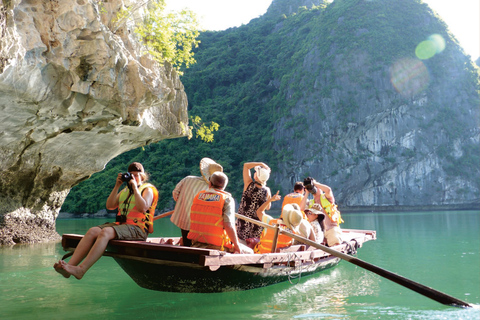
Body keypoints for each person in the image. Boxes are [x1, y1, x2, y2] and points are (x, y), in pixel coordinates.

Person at [53, 162, 158, 279]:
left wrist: (135, 188)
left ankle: (81, 270)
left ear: (142, 176)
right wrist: (117, 186)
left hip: (138, 230)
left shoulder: (147, 190)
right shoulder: (124, 191)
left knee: (106, 232)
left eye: (137, 175)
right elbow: (110, 205)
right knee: (93, 231)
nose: (134, 178)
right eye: (131, 175)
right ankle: (69, 268)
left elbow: (143, 208)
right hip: (122, 227)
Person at [187, 171, 253, 254]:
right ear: (224, 186)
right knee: (250, 252)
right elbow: (228, 225)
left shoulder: (198, 196)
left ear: (210, 184)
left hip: (196, 243)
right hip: (217, 246)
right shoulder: (226, 199)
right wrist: (237, 246)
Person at [170, 158, 223, 246]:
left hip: (184, 219)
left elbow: (175, 194)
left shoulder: (188, 179)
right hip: (201, 224)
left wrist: (183, 203)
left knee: (187, 243)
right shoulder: (213, 190)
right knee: (198, 245)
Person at [301, 177, 344, 246]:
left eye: (315, 188)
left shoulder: (326, 198)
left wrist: (315, 183)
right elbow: (301, 209)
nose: (313, 189)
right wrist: (306, 193)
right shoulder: (311, 202)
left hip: (331, 229)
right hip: (319, 231)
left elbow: (328, 190)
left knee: (335, 247)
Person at [235, 162, 272, 242]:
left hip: (242, 225)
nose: (254, 173)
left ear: (256, 177)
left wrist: (261, 163)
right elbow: (268, 207)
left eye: (256, 172)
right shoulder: (267, 191)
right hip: (256, 228)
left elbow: (246, 166)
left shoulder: (248, 184)